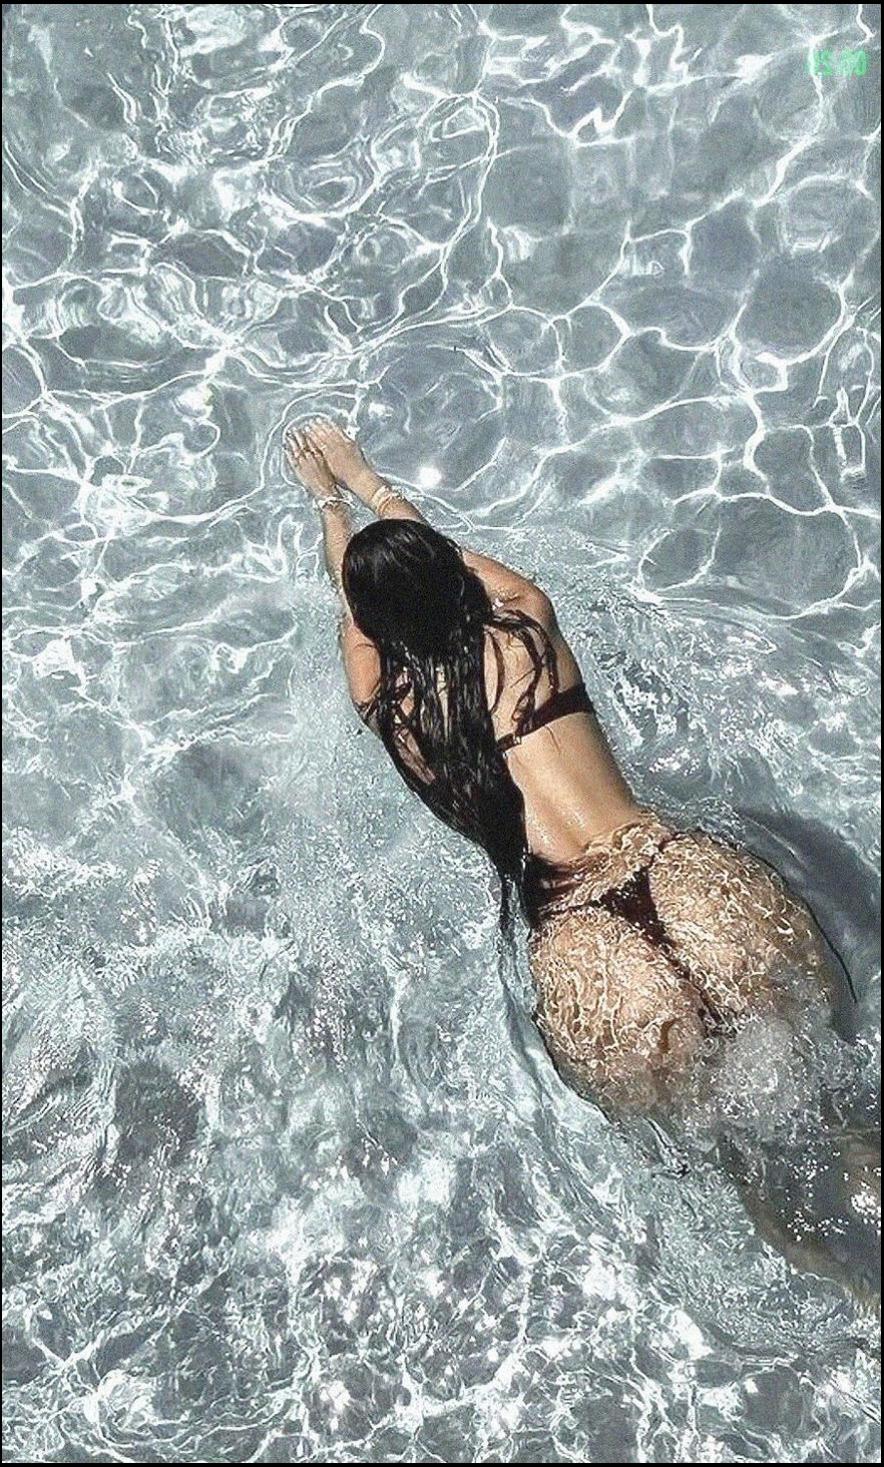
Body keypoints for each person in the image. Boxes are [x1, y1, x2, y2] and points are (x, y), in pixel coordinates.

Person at [284, 417, 880, 1298]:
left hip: (586, 957)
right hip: (685, 880)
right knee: (839, 1113)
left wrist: (326, 506)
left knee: (738, 1161)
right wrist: (367, 481)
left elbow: (355, 608)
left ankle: (859, 1299)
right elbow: (446, 563)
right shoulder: (526, 623)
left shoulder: (396, 712)